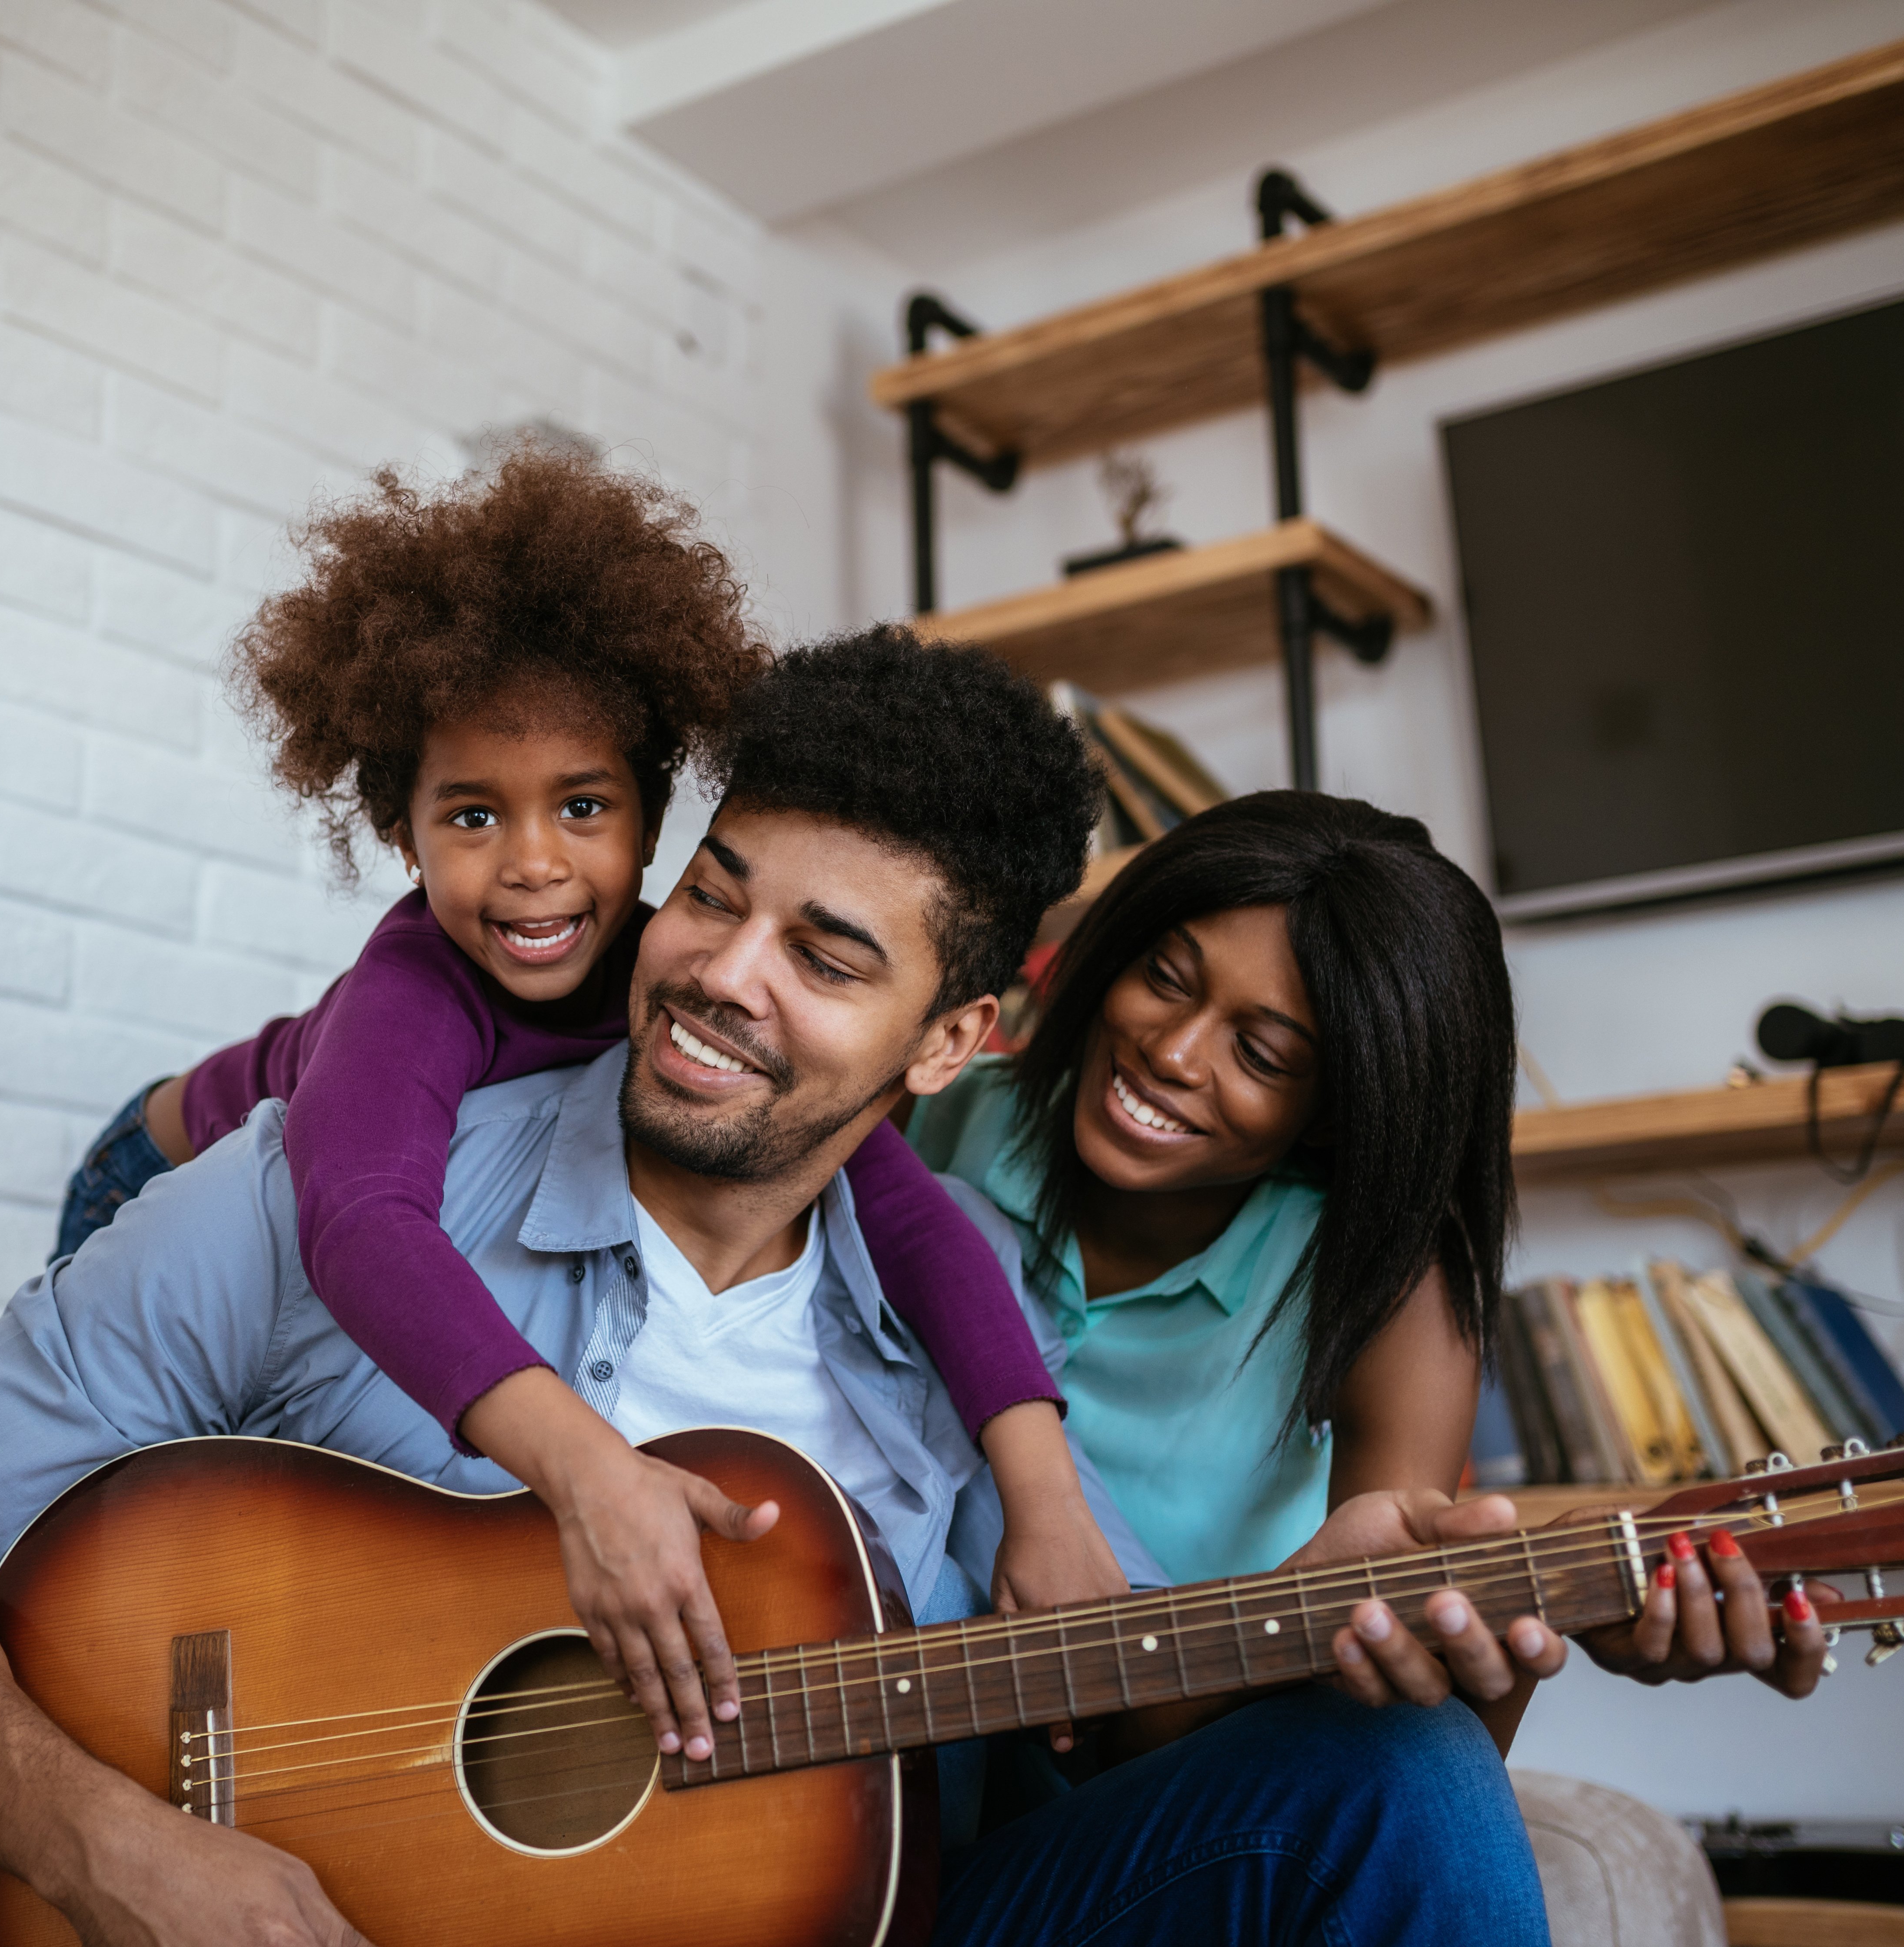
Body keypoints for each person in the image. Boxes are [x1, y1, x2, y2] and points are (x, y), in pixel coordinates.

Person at [0, 632, 1561, 1946]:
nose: (714, 973)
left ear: (959, 1040)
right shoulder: (314, 1192)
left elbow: (1118, 1711)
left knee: (1402, 1787)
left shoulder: (970, 1357)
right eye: (712, 894)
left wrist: (1369, 1640)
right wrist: (122, 1853)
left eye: (827, 954)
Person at [55, 451, 1122, 1751]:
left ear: (650, 813)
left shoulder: (665, 956)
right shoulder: (413, 992)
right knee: (118, 1556)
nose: (534, 870)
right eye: (470, 817)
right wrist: (583, 1468)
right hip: (158, 1161)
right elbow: (359, 1220)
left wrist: (1044, 1503)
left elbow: (914, 1224)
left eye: (582, 807)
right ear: (400, 832)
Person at [906, 790, 1828, 1777]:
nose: (1171, 1053)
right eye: (1165, 977)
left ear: (1341, 1110)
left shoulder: (1389, 1287)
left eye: (1261, 1054)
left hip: (1160, 1756)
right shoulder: (939, 1116)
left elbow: (1421, 1716)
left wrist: (1515, 1641)